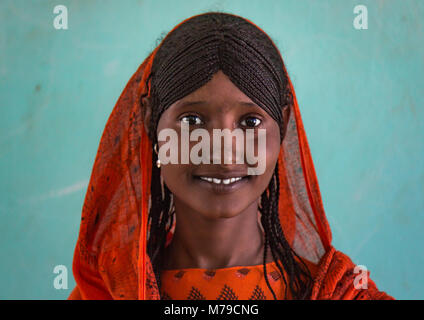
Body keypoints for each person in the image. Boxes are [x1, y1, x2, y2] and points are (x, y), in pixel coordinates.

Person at [68, 12, 393, 300]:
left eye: (250, 122)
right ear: (150, 122)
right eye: (191, 121)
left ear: (283, 125)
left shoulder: (338, 294)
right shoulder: (106, 292)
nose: (224, 152)